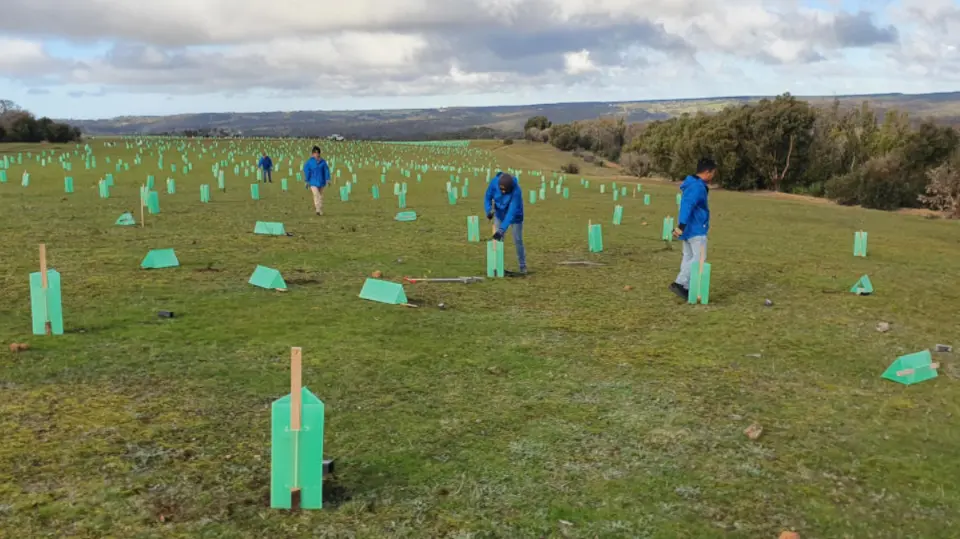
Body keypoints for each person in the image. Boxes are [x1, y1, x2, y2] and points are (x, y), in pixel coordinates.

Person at [669, 158, 716, 299]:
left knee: (688, 257)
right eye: (713, 173)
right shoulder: (697, 187)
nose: (713, 176)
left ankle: (686, 287)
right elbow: (687, 205)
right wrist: (681, 225)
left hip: (689, 229)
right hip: (696, 229)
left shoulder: (692, 185)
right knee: (699, 258)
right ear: (707, 172)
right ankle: (679, 283)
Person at [484, 171, 526, 274]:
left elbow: (511, 213)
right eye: (501, 190)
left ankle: (522, 266)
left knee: (518, 240)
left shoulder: (516, 191)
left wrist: (502, 229)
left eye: (505, 191)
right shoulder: (494, 183)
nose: (503, 192)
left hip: (515, 216)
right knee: (498, 241)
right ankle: (498, 267)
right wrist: (489, 210)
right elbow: (487, 197)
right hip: (499, 213)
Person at [303, 146, 330, 215]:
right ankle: (317, 209)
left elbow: (326, 170)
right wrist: (306, 181)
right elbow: (307, 171)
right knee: (316, 194)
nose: (316, 154)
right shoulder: (309, 162)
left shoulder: (323, 162)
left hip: (321, 181)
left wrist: (327, 179)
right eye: (315, 153)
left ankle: (320, 209)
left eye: (317, 153)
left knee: (320, 195)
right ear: (312, 154)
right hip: (313, 182)